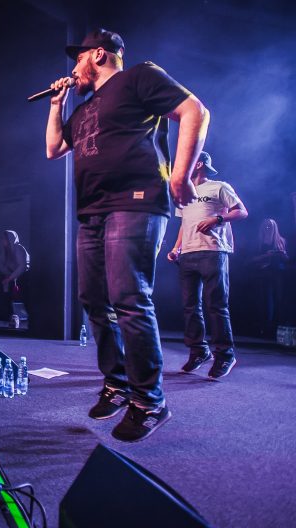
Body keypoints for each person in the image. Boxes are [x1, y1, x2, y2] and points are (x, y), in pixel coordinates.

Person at [45, 29, 210, 442]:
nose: (74, 67)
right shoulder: (84, 107)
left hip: (135, 202)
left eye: (79, 58)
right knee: (94, 301)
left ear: (99, 54)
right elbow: (53, 149)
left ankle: (149, 401)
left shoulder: (139, 76)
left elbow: (195, 111)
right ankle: (117, 384)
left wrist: (180, 176)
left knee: (130, 299)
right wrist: (57, 104)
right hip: (93, 211)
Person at [167, 151, 248, 378]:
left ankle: (225, 355)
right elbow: (184, 224)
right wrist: (176, 248)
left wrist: (218, 218)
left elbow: (242, 211)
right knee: (190, 307)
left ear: (199, 164)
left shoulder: (219, 187)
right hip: (188, 254)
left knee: (216, 305)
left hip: (213, 251)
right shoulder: (183, 192)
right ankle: (199, 351)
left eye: (189, 160)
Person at [248, 218, 289, 337]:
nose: (268, 228)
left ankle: (274, 328)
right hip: (262, 274)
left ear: (275, 228)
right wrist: (266, 256)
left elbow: (287, 260)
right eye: (266, 226)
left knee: (277, 300)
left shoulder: (281, 241)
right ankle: (263, 327)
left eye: (270, 226)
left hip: (277, 274)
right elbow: (249, 260)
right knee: (264, 301)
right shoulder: (258, 242)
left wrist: (283, 253)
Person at [0, 230, 30, 327]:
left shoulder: (19, 249)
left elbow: (22, 266)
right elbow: (0, 264)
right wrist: (7, 274)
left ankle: (20, 316)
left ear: (9, 239)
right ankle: (10, 314)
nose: (2, 241)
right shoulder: (5, 251)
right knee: (7, 294)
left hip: (23, 277)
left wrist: (10, 278)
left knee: (20, 297)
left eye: (4, 239)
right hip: (12, 277)